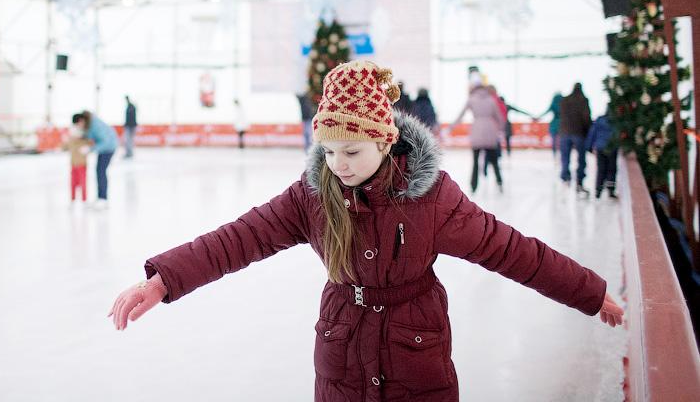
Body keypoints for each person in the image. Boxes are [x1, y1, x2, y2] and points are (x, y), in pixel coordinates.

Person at [108, 60, 625, 402]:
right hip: (342, 348)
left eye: (352, 151)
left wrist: (590, 293)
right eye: (328, 152)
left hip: (415, 349)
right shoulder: (311, 195)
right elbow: (239, 238)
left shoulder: (431, 197)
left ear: (386, 140)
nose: (339, 166)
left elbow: (512, 251)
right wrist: (163, 280)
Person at [451, 82, 504, 193]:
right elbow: (499, 117)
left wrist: (451, 127)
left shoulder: (472, 99)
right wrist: (501, 130)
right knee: (494, 161)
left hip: (477, 131)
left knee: (475, 161)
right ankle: (499, 182)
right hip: (490, 131)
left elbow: (461, 115)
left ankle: (473, 186)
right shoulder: (491, 100)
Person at [559, 83, 592, 195]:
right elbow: (586, 117)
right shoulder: (583, 100)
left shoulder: (565, 100)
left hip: (564, 133)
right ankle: (579, 180)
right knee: (581, 159)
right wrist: (588, 132)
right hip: (578, 133)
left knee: (565, 157)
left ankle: (565, 177)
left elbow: (561, 116)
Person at [83, 109, 118, 208]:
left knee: (101, 171)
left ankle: (103, 198)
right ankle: (100, 197)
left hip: (109, 148)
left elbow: (105, 141)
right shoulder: (90, 124)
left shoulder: (96, 125)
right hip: (104, 149)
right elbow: (90, 135)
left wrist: (91, 149)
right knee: (99, 171)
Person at [586, 107, 618, 200]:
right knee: (612, 169)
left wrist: (589, 146)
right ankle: (611, 190)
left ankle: (598, 190)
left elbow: (592, 133)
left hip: (600, 148)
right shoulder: (616, 122)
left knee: (601, 169)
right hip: (612, 148)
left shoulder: (600, 120)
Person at [68, 114, 92, 203]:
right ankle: (74, 199)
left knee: (82, 183)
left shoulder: (84, 136)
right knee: (74, 183)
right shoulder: (75, 135)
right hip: (74, 163)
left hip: (81, 163)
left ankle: (83, 199)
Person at [537, 92, 564, 158]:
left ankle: (555, 155)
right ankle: (561, 155)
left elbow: (546, 112)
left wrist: (538, 117)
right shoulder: (563, 103)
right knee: (561, 142)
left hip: (554, 125)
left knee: (554, 141)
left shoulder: (553, 104)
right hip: (562, 124)